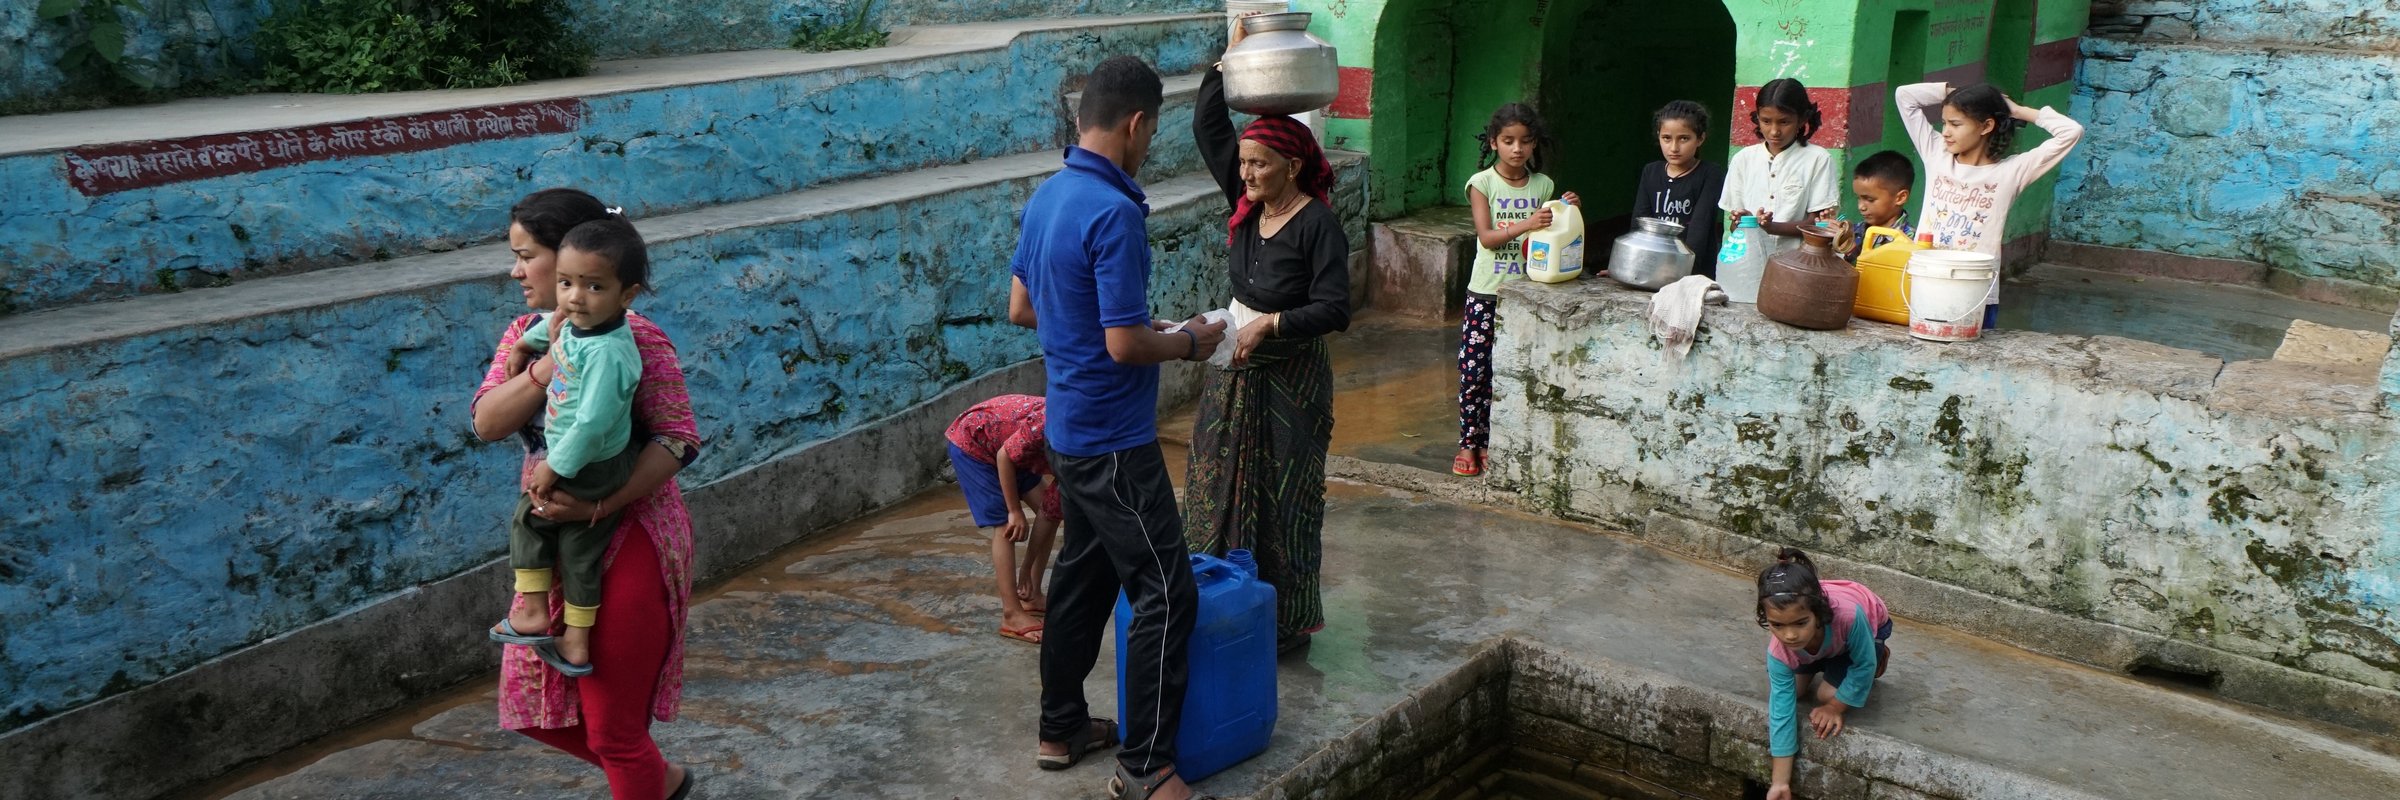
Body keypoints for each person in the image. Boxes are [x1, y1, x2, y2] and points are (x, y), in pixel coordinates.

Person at [1009, 55, 1228, 800]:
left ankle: (1062, 726)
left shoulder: (1047, 197)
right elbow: (1125, 346)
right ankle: (1146, 767)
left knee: (1082, 580)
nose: (1150, 143)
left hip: (1067, 430)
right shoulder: (1115, 210)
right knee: (1170, 593)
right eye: (1154, 130)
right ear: (1136, 125)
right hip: (1113, 440)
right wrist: (1189, 339)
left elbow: (1024, 305)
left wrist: (1129, 324)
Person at [474, 188, 700, 800]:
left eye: (527, 256)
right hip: (551, 540)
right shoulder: (524, 334)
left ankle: (644, 774)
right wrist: (548, 360)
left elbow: (679, 439)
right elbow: (488, 421)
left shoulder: (638, 339)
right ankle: (661, 780)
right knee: (534, 715)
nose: (517, 271)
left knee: (614, 731)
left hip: (631, 535)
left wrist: (602, 503)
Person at [1183, 28, 1352, 656]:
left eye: (1260, 164)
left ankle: (1285, 626)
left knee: (1285, 500)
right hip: (1235, 373)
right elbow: (1210, 129)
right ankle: (1216, 605)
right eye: (1245, 163)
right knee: (1214, 482)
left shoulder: (1317, 223)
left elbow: (1335, 308)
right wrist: (1223, 64)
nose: (1246, 172)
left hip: (1291, 380)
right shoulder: (1248, 202)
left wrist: (1272, 324)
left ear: (1294, 166)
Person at [490, 218, 651, 677]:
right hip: (580, 457)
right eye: (566, 283)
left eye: (593, 287)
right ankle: (572, 639)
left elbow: (594, 424)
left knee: (532, 520)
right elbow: (554, 325)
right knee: (578, 549)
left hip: (592, 462)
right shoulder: (583, 325)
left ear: (627, 296)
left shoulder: (610, 352)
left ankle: (538, 615)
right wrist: (524, 344)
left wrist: (553, 467)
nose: (575, 298)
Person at [1895, 81, 2086, 330]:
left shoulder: (2010, 172)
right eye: (1944, 123)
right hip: (1926, 281)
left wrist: (2015, 110)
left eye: (1955, 124)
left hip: (1976, 291)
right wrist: (1958, 93)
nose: (1946, 132)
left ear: (1986, 125)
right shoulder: (1936, 154)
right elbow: (1904, 95)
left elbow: (2072, 131)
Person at [1455, 102, 1579, 478]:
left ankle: (1495, 442)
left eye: (1525, 141)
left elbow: (1551, 233)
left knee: (1510, 371)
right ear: (1494, 142)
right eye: (1508, 141)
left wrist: (1566, 210)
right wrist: (1527, 222)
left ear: (1534, 144)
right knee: (1474, 372)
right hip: (1487, 293)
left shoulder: (1544, 186)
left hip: (1526, 292)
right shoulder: (1482, 184)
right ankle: (1468, 443)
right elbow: (1488, 238)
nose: (1517, 149)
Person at [1756, 548, 1893, 800]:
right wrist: (1780, 782)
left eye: (1800, 623)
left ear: (1816, 614)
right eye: (1777, 625)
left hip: (1863, 628)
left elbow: (1862, 665)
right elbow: (1781, 711)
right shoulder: (1780, 650)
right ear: (1766, 619)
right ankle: (1819, 658)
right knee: (1794, 691)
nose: (1789, 635)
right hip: (1819, 642)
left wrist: (1835, 708)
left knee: (1826, 694)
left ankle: (1879, 654)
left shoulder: (1850, 617)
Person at [944, 394, 1065, 644]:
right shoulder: (1048, 425)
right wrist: (1014, 510)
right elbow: (1004, 456)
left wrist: (1027, 568)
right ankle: (1011, 613)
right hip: (975, 444)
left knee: (1049, 508)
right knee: (1006, 526)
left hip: (1014, 449)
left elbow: (1049, 513)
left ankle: (1031, 594)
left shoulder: (1085, 451)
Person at [1720, 78, 1841, 257]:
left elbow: (1816, 223)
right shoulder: (1743, 159)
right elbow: (1733, 227)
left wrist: (1771, 227)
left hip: (1797, 264)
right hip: (1750, 263)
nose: (1774, 131)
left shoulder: (1818, 159)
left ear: (1801, 120)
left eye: (1784, 122)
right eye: (1766, 121)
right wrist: (1743, 219)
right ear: (1757, 119)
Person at [1631, 100, 1727, 276]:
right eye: (1666, 138)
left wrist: (1679, 271)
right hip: (1652, 267)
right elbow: (1640, 223)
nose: (1674, 148)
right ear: (1659, 136)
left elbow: (1700, 229)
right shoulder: (1651, 172)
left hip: (1693, 270)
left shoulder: (1710, 173)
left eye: (1684, 138)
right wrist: (1630, 264)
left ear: (1700, 139)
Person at [1832, 151, 1917, 263]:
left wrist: (1851, 250)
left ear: (1900, 198)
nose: (1861, 206)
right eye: (1859, 198)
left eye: (1870, 200)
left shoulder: (1909, 242)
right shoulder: (1854, 232)